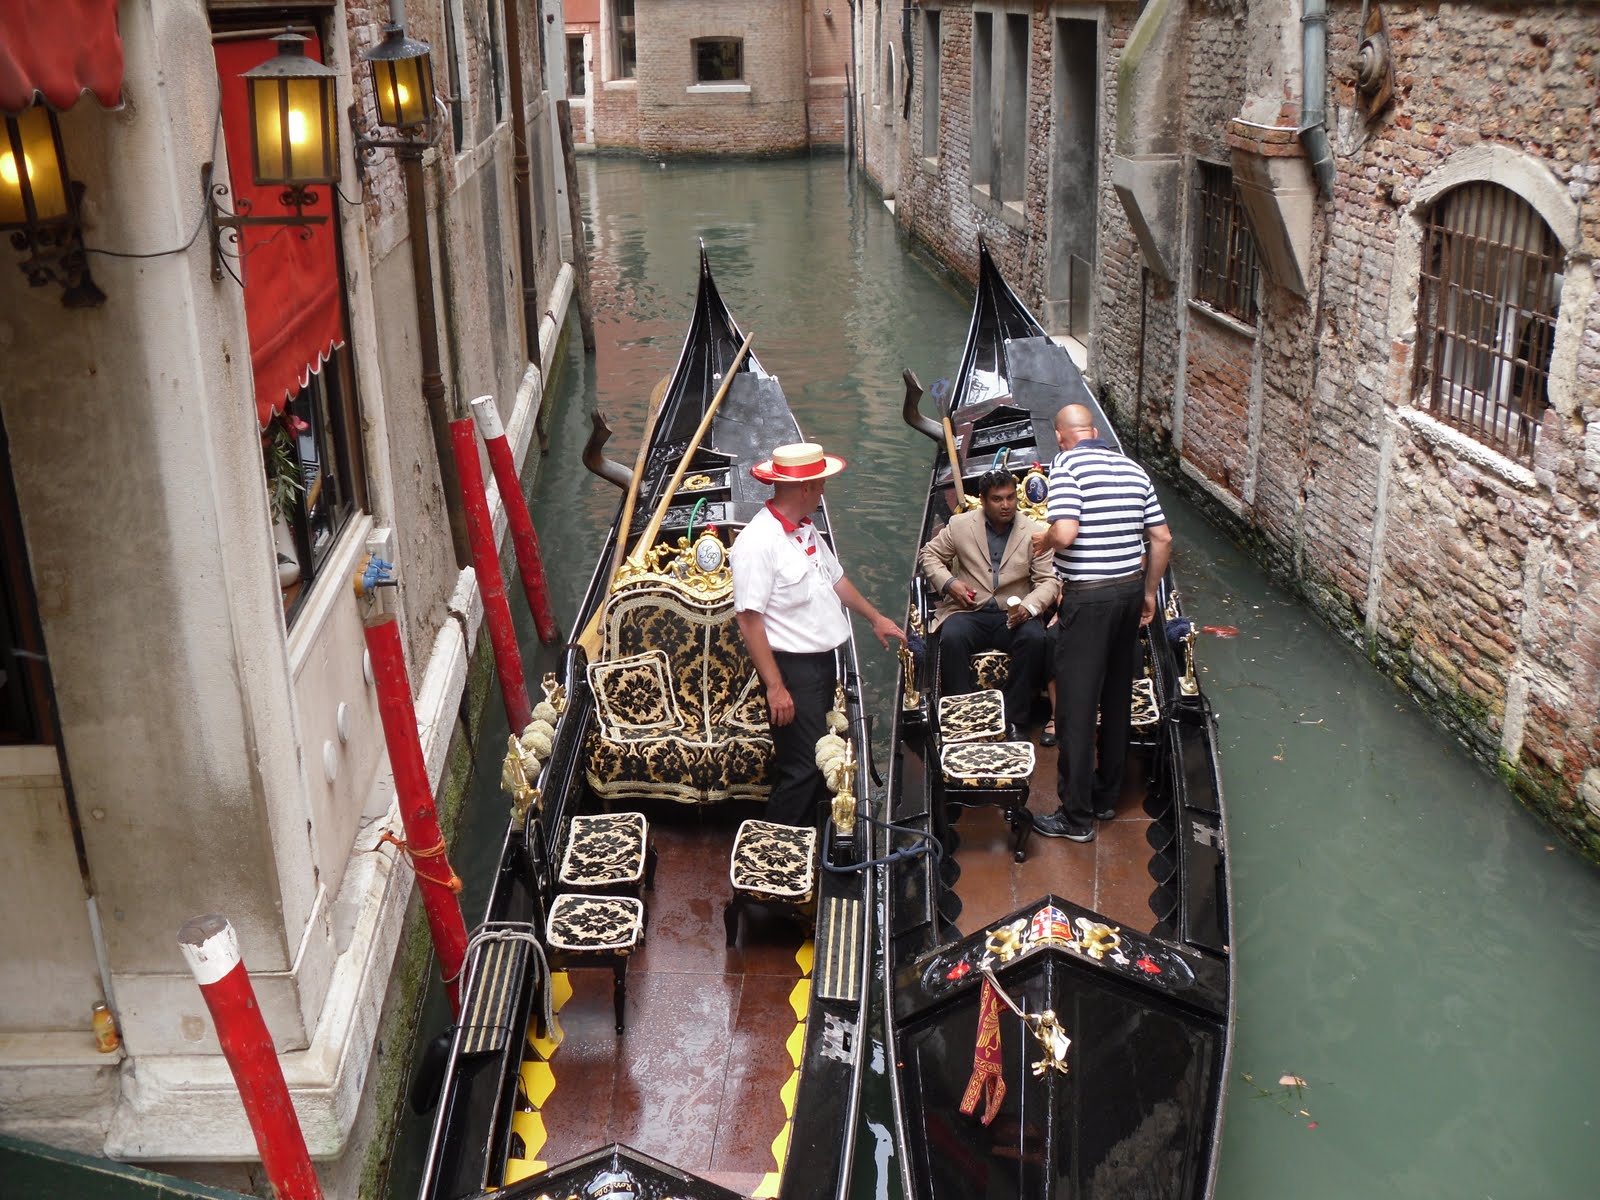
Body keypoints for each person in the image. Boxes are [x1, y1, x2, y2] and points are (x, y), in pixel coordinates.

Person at [732, 442, 906, 825]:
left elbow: (837, 581)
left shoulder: (806, 531)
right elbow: (749, 621)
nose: (824, 491)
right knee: (804, 768)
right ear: (805, 489)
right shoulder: (757, 544)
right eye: (821, 484)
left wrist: (875, 617)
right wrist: (775, 687)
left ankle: (808, 840)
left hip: (823, 666)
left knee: (816, 756)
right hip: (792, 672)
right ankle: (775, 850)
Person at [1030, 404, 1172, 842]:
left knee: (1074, 706)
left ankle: (1075, 818)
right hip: (1130, 593)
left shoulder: (1066, 464)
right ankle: (1107, 797)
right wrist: (1149, 593)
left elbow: (1067, 533)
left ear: (1061, 436)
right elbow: (1162, 538)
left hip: (1089, 599)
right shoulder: (1132, 468)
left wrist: (1044, 539)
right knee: (1115, 697)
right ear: (1093, 431)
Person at [917, 469, 1059, 734]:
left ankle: (1015, 719)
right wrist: (950, 583)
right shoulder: (960, 526)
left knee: (1035, 639)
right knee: (952, 636)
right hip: (970, 611)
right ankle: (964, 713)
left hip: (1014, 615)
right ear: (983, 499)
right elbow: (929, 555)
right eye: (997, 499)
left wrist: (1028, 608)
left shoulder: (1034, 532)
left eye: (1009, 498)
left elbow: (1049, 581)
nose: (1005, 505)